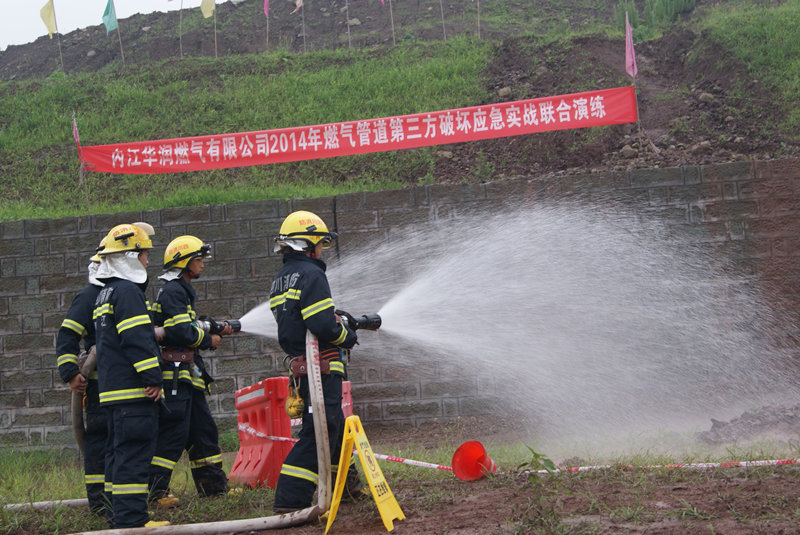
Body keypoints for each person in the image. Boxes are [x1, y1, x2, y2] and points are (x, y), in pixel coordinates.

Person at [269, 210, 363, 513]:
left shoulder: (282, 278)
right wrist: (347, 335)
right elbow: (322, 324)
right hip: (321, 366)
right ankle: (290, 499)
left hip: (304, 367)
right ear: (308, 245)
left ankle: (344, 485)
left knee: (333, 426)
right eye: (320, 243)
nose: (322, 249)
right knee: (320, 430)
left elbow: (303, 319)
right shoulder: (312, 274)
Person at [93, 223, 168, 529]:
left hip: (112, 393)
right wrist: (153, 377)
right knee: (134, 457)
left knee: (117, 455)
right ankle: (133, 520)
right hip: (133, 393)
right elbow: (137, 339)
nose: (148, 262)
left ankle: (117, 517)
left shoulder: (104, 294)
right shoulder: (127, 293)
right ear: (129, 257)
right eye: (145, 255)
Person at [149, 235, 232, 504]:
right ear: (184, 263)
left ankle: (213, 487)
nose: (202, 264)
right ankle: (154, 491)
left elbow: (187, 325)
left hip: (188, 375)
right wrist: (209, 340)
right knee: (174, 433)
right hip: (175, 375)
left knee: (203, 431)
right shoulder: (173, 290)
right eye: (198, 259)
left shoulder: (180, 290)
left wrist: (210, 327)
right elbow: (181, 331)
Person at [55, 239, 106, 516]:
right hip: (98, 384)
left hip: (126, 382)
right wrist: (71, 373)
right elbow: (67, 336)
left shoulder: (128, 293)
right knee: (98, 441)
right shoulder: (89, 297)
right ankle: (100, 503)